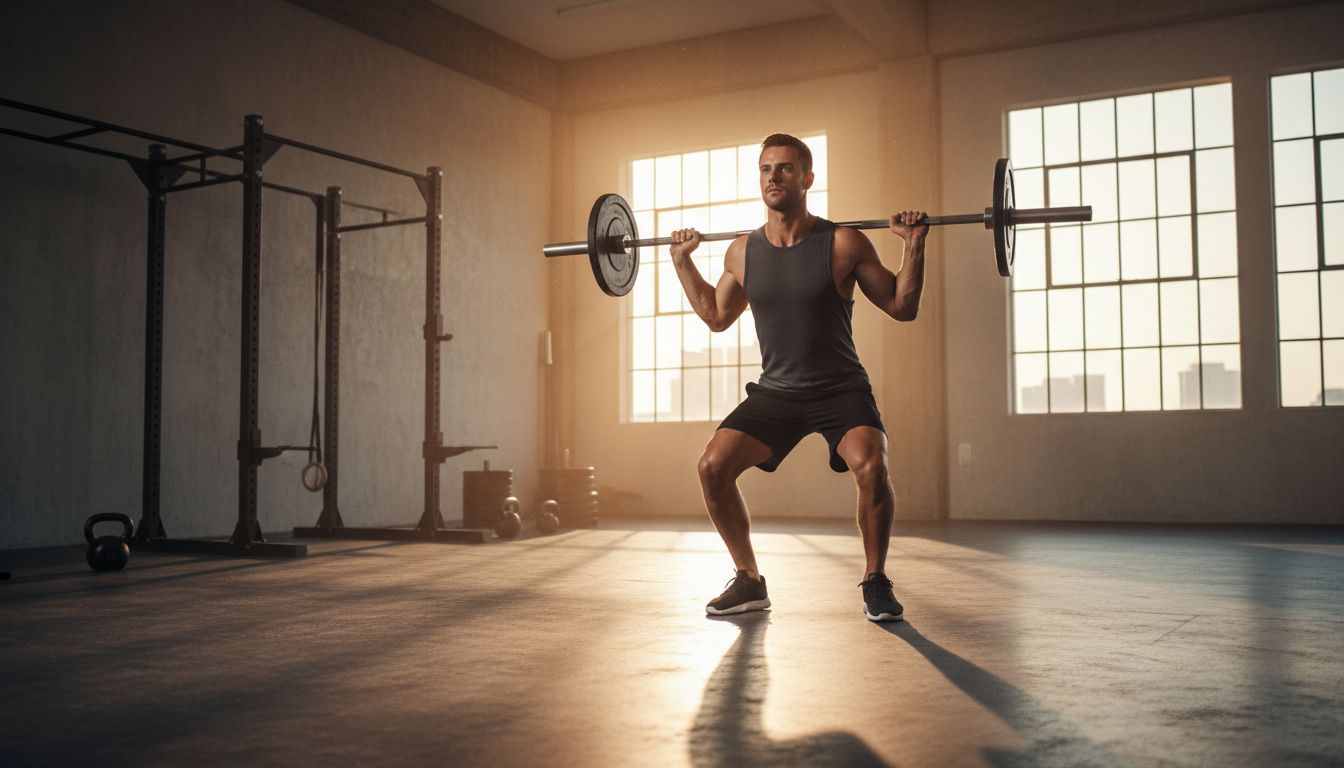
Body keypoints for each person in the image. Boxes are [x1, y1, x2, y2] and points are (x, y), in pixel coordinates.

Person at [669, 133, 927, 622]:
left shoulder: (843, 242)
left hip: (840, 387)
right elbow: (717, 316)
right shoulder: (742, 252)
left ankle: (875, 580)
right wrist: (683, 263)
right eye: (766, 169)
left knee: (872, 467)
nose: (774, 177)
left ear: (807, 179)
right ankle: (748, 580)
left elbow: (902, 306)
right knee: (712, 468)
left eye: (785, 168)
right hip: (777, 393)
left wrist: (913, 246)